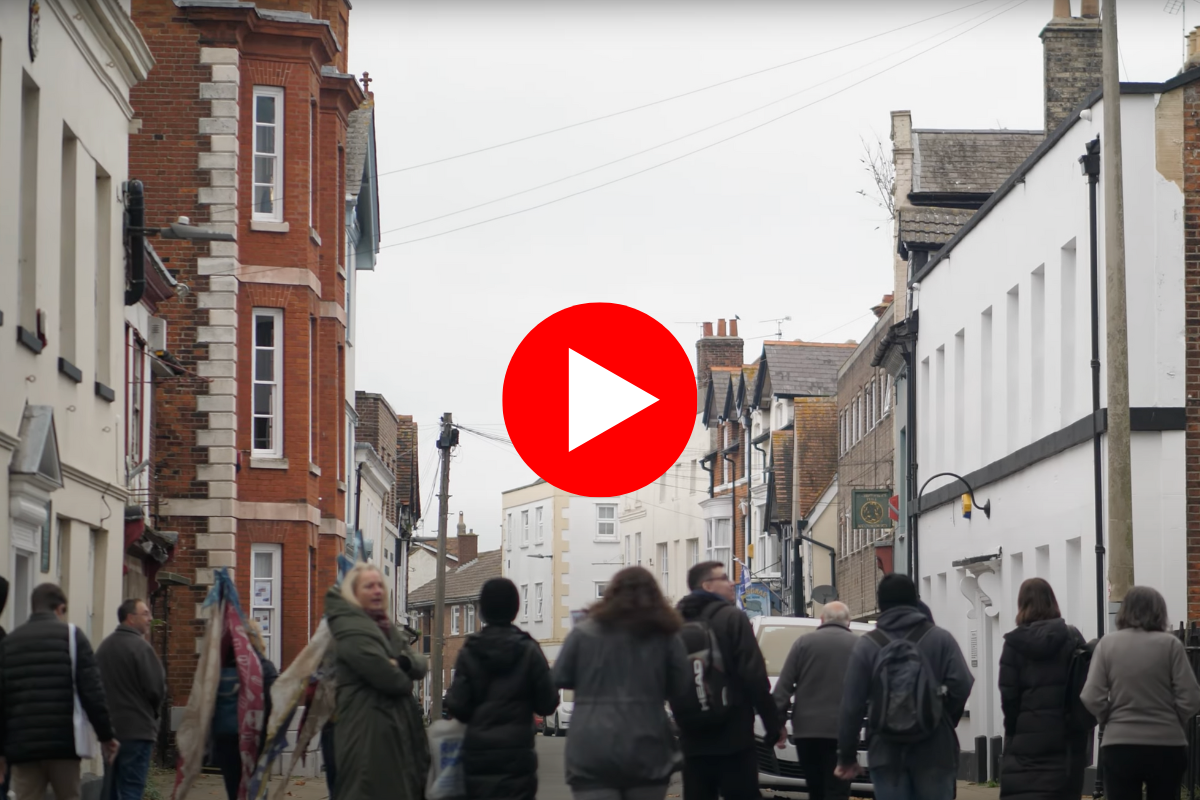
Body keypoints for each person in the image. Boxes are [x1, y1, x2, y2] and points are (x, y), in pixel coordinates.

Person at [552, 566, 690, 800]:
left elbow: (560, 677)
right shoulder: (666, 636)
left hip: (591, 747)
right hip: (648, 746)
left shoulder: (583, 633)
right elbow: (681, 686)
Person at [835, 573, 973, 800]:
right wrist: (939, 717)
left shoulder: (867, 645)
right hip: (935, 751)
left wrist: (847, 756)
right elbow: (962, 684)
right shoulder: (940, 639)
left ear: (880, 604)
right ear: (914, 601)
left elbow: (852, 705)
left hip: (886, 753)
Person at [1080, 585, 1200, 800]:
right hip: (1166, 742)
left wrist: (1109, 717)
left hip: (1120, 743)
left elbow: (1090, 695)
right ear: (1159, 612)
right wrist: (1174, 719)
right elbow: (1191, 697)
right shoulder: (1171, 645)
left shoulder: (1108, 645)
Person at [0, 583, 118, 800]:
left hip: (23, 747)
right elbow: (92, 692)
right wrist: (106, 735)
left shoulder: (9, 643)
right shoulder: (73, 637)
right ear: (60, 608)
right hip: (65, 745)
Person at [676, 561, 783, 800]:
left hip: (692, 736)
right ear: (707, 585)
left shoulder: (675, 622)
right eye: (724, 578)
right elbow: (754, 675)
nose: (732, 582)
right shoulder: (732, 618)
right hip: (733, 735)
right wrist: (772, 725)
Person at [445, 577, 558, 800]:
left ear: (483, 611)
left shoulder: (470, 651)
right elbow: (548, 703)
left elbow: (459, 706)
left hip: (477, 757)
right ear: (515, 609)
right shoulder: (529, 650)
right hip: (517, 758)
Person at [325, 563, 429, 800]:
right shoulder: (351, 630)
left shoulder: (385, 627)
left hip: (391, 732)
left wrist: (401, 663)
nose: (377, 591)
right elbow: (392, 680)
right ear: (354, 593)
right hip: (366, 731)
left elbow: (421, 663)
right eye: (369, 586)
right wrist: (406, 671)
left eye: (380, 585)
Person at [997, 578, 1088, 800]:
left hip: (1025, 742)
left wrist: (1013, 733)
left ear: (1022, 605)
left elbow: (1009, 696)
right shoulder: (1072, 638)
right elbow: (1085, 687)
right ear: (1051, 601)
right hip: (1064, 740)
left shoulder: (1013, 644)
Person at [771, 601, 857, 800]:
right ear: (849, 621)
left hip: (806, 731)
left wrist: (778, 724)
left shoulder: (803, 643)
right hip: (843, 730)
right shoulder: (859, 645)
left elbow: (784, 687)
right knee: (838, 789)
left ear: (821, 619)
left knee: (815, 788)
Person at [95, 599, 166, 800]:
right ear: (130, 618)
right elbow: (156, 689)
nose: (150, 618)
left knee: (111, 788)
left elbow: (94, 688)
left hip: (110, 732)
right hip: (137, 731)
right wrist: (153, 715)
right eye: (145, 613)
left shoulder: (104, 648)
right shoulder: (141, 648)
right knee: (131, 789)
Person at [211, 617, 277, 800]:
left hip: (226, 740)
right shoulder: (264, 667)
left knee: (234, 789)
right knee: (257, 791)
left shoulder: (221, 668)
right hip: (256, 741)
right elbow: (275, 704)